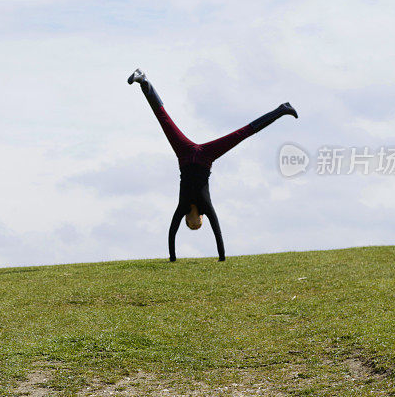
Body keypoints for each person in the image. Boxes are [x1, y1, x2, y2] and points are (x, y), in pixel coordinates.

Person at [128, 69, 298, 262]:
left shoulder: (182, 207)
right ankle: (282, 109)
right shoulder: (206, 207)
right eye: (197, 226)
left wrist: (172, 258)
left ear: (187, 220)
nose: (194, 225)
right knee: (243, 133)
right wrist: (222, 257)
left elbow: (172, 232)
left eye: (190, 226)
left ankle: (143, 80)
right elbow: (217, 230)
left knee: (164, 120)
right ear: (200, 219)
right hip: (206, 157)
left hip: (184, 154)